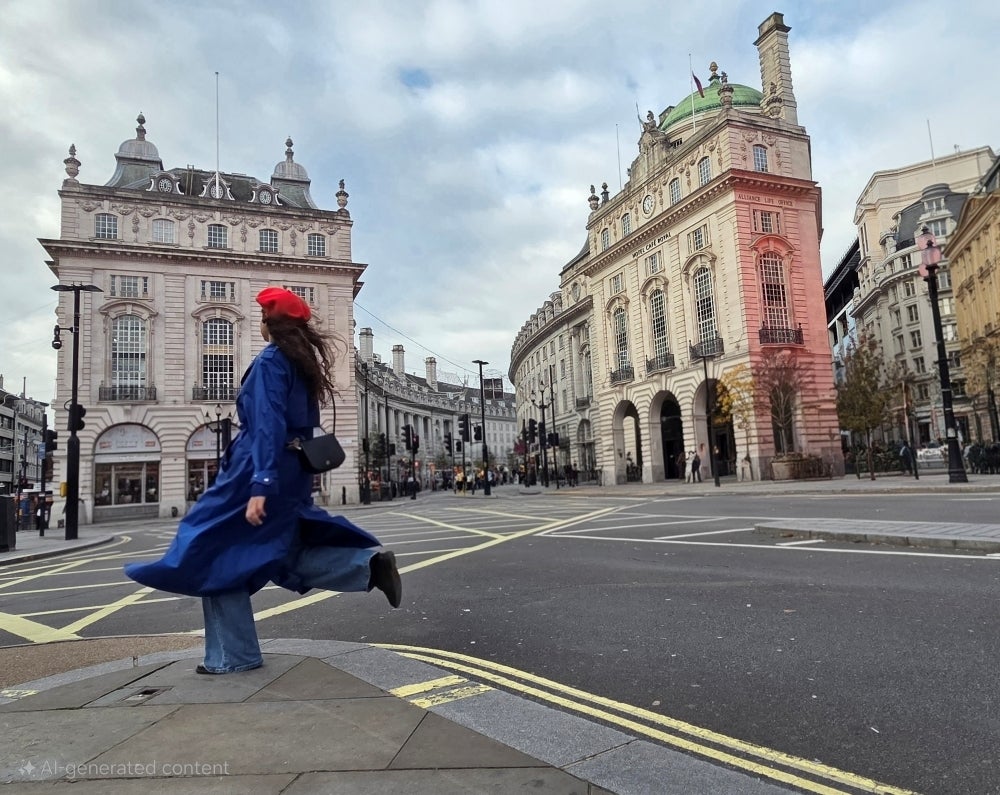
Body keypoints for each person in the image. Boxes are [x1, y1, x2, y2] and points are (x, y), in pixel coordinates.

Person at [125, 287, 401, 675]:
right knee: (280, 549)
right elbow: (301, 425)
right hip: (293, 469)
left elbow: (268, 423)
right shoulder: (299, 363)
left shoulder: (271, 360)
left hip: (255, 469)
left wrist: (261, 485)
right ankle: (366, 567)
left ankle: (234, 656)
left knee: (210, 548)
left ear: (269, 324)